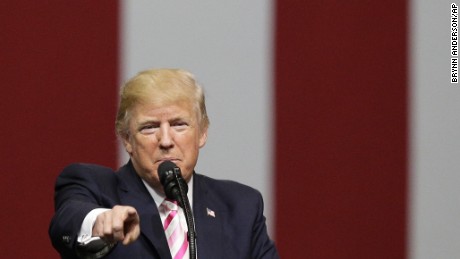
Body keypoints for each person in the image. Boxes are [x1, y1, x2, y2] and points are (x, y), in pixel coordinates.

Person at [49, 69, 279, 259]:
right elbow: (68, 219)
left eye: (179, 125)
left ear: (202, 133)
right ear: (127, 138)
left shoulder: (241, 206)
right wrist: (99, 221)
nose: (166, 141)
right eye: (149, 127)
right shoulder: (96, 187)